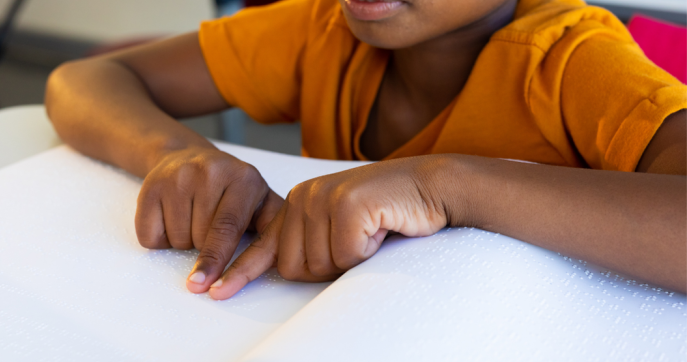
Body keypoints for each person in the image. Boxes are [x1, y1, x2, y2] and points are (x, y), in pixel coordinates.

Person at [45, 0, 686, 300]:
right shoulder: (323, 28)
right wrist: (174, 153)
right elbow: (82, 81)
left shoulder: (573, 61)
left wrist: (446, 187)